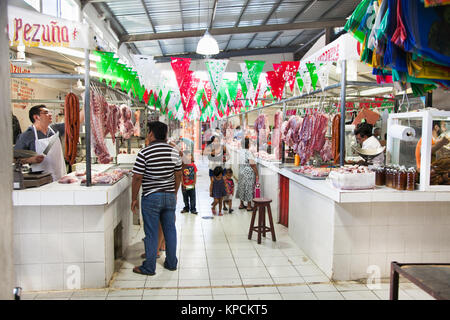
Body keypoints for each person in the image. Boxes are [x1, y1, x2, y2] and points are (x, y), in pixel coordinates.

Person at [131, 121, 182, 276]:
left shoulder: (144, 153)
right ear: (165, 135)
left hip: (151, 197)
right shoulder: (174, 151)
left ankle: (149, 267)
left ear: (152, 134)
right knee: (170, 230)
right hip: (169, 196)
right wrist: (174, 192)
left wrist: (134, 198)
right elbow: (178, 174)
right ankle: (171, 263)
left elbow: (138, 177)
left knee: (152, 232)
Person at [14, 105, 66, 181]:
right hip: (41, 181)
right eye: (46, 112)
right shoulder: (26, 136)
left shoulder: (55, 129)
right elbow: (14, 159)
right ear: (36, 117)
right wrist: (30, 160)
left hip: (60, 177)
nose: (50, 114)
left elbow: (75, 122)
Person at [236, 137, 259, 211]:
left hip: (241, 171)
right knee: (249, 188)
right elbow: (252, 164)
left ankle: (241, 204)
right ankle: (249, 206)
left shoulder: (241, 152)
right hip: (248, 173)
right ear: (248, 144)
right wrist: (257, 173)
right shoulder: (248, 152)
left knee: (241, 187)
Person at [181, 151, 198, 215]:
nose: (188, 157)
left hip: (191, 184)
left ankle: (193, 209)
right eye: (186, 156)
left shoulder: (193, 165)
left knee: (192, 197)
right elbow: (181, 175)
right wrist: (182, 183)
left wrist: (194, 182)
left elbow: (195, 174)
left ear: (191, 157)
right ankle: (186, 207)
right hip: (184, 185)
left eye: (189, 155)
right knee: (185, 197)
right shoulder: (183, 165)